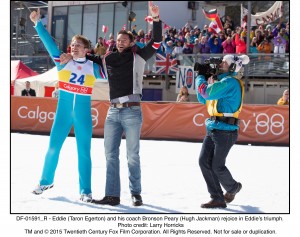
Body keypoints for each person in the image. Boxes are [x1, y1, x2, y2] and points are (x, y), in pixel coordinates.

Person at [60, 1, 161, 206]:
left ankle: (136, 193)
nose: (121, 41)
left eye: (125, 40)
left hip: (132, 111)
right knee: (110, 155)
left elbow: (157, 40)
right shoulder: (108, 58)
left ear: (131, 43)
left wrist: (156, 19)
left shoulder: (139, 56)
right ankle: (112, 195)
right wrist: (71, 54)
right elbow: (86, 56)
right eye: (118, 39)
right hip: (113, 112)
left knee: (132, 155)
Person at [29, 8, 106, 202]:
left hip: (82, 114)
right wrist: (38, 23)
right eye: (72, 45)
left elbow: (112, 65)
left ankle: (85, 190)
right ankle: (45, 181)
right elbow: (48, 42)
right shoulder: (62, 61)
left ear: (87, 49)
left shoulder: (94, 67)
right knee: (53, 147)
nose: (74, 47)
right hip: (62, 113)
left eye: (78, 45)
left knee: (84, 152)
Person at [195, 54, 250, 208]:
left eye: (224, 63)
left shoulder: (230, 82)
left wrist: (200, 76)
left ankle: (233, 188)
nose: (220, 64)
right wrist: (205, 79)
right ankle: (217, 197)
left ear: (233, 67)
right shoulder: (221, 81)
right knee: (203, 162)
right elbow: (202, 98)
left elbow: (206, 93)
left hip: (226, 131)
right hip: (213, 127)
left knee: (217, 166)